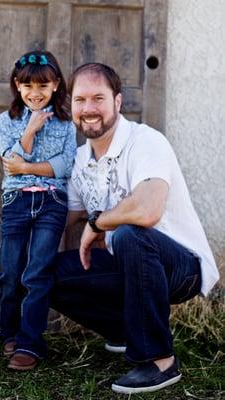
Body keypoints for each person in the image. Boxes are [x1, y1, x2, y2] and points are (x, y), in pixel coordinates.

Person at [49, 63, 219, 394]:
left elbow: (147, 209)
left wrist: (97, 222)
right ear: (71, 106)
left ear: (117, 101)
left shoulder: (145, 141)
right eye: (81, 100)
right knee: (44, 273)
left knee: (130, 233)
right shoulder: (81, 160)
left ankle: (160, 361)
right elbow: (62, 219)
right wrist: (23, 263)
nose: (89, 109)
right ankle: (127, 331)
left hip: (180, 265)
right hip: (128, 264)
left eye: (98, 98)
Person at [0, 50, 77, 370]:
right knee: (11, 272)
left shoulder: (67, 125)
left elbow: (64, 166)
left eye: (43, 85)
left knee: (38, 272)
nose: (35, 93)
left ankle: (30, 343)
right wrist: (30, 129)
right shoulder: (5, 121)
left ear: (56, 85)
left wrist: (27, 165)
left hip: (51, 204)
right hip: (16, 202)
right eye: (27, 85)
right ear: (17, 85)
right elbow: (9, 163)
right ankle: (9, 333)